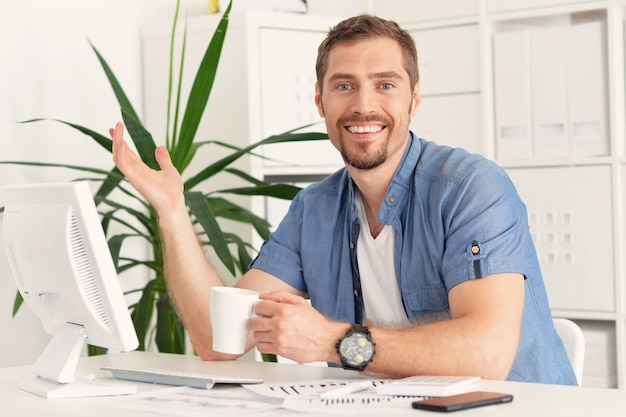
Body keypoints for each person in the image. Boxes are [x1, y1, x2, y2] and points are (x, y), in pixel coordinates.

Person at [110, 14, 577, 385]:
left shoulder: (470, 187)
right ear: (320, 100)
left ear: (414, 99)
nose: (363, 105)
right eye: (344, 85)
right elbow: (219, 340)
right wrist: (171, 211)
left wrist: (335, 342)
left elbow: (486, 353)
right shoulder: (315, 209)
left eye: (385, 84)